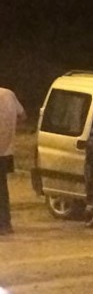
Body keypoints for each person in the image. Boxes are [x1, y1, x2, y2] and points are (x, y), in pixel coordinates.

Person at [0, 88, 27, 235]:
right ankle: (5, 223)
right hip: (6, 150)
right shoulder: (8, 94)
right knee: (2, 188)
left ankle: (4, 223)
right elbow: (23, 116)